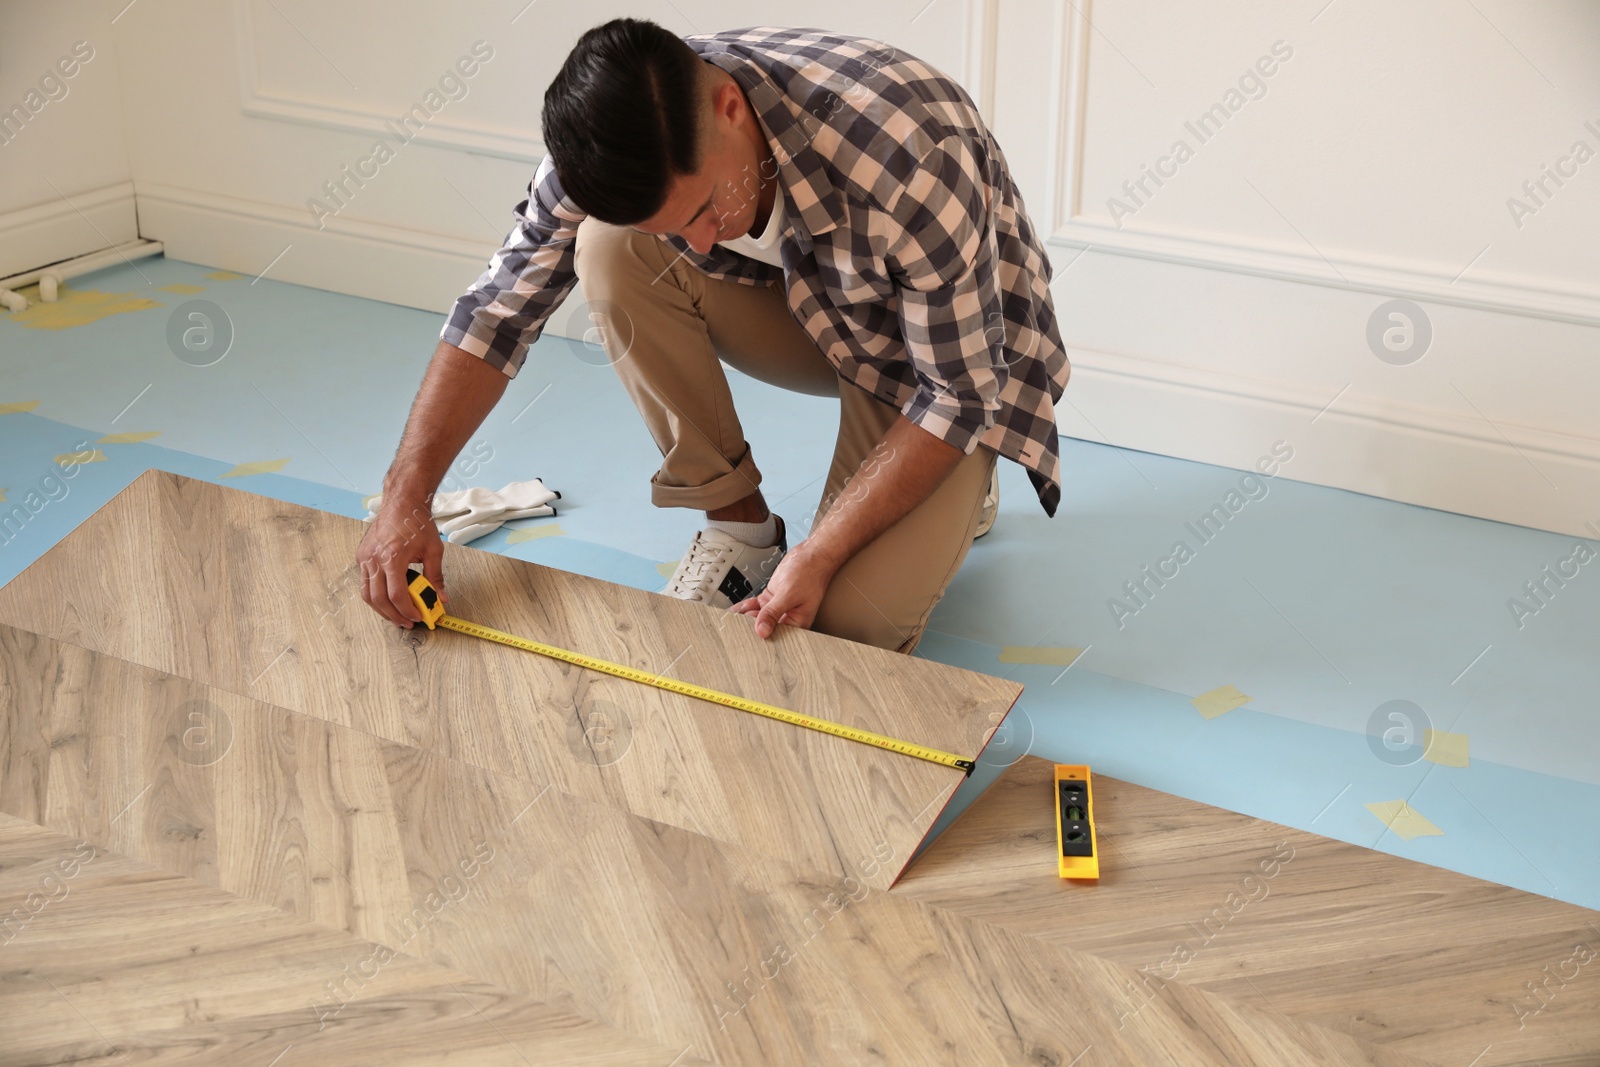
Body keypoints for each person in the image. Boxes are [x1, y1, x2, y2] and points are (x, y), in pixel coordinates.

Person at [358, 19, 1068, 654]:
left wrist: (820, 555)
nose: (697, 241)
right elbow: (496, 313)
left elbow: (958, 393)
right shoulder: (611, 145)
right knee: (607, 246)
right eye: (671, 227)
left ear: (729, 108)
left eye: (702, 208)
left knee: (841, 631)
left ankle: (964, 482)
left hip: (944, 366)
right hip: (813, 310)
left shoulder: (909, 152)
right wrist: (406, 497)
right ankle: (744, 533)